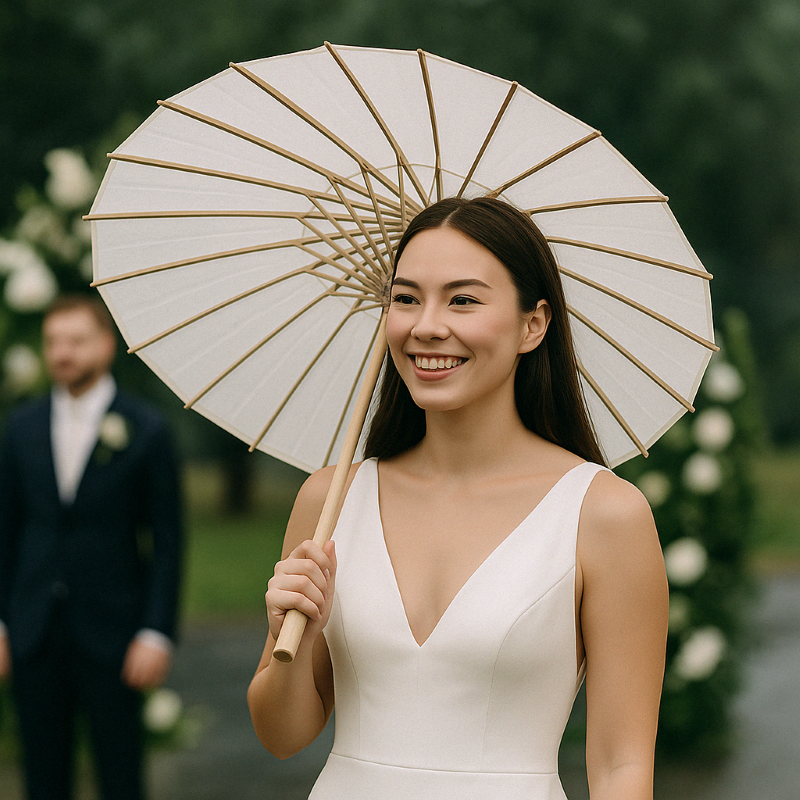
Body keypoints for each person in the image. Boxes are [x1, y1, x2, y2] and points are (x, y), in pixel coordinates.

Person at [248, 197, 668, 800]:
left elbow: (621, 765)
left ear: (534, 324)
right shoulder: (330, 499)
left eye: (463, 299)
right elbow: (282, 735)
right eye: (406, 297)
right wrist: (295, 630)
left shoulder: (604, 515)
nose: (426, 326)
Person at [0, 294, 184, 800]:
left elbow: (168, 540)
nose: (62, 353)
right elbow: (6, 530)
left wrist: (156, 631)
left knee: (121, 772)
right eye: (53, 342)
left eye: (75, 341)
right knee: (42, 774)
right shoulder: (21, 428)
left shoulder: (147, 431)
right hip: (34, 630)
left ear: (105, 345)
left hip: (115, 634)